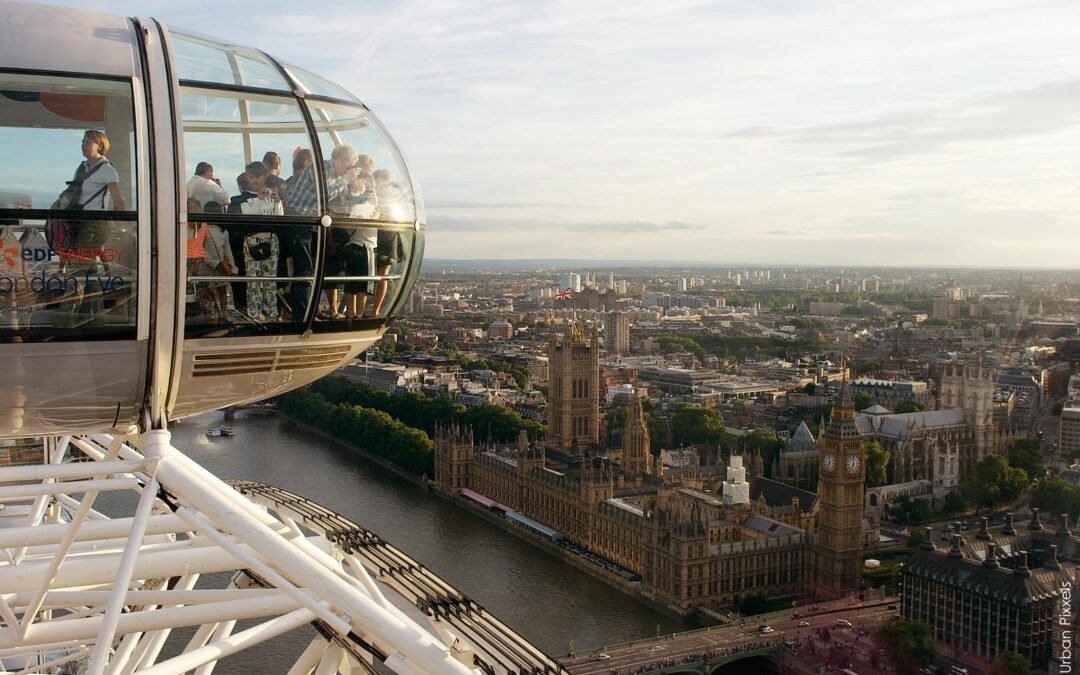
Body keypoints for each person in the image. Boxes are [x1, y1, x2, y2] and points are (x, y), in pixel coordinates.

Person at [287, 145, 365, 320]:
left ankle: (304, 312)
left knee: (307, 269)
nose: (349, 169)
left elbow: (339, 200)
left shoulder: (331, 174)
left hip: (305, 224)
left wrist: (364, 194)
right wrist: (345, 179)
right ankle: (302, 315)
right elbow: (324, 195)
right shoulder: (320, 168)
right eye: (349, 165)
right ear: (342, 160)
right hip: (297, 222)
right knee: (304, 270)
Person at [64, 129, 125, 326]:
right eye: (82, 142)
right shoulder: (82, 167)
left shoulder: (107, 169)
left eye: (88, 142)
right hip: (79, 223)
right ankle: (95, 321)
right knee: (88, 274)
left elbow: (118, 198)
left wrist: (120, 221)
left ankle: (65, 321)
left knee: (76, 270)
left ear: (100, 145)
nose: (83, 145)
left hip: (95, 224)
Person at [230, 162, 282, 322]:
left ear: (264, 176)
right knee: (254, 280)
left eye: (255, 177)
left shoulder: (272, 195)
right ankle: (254, 314)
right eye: (250, 177)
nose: (253, 181)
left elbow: (279, 218)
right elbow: (246, 216)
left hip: (271, 239)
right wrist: (259, 200)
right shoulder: (242, 199)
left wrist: (278, 201)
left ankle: (271, 313)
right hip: (252, 239)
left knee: (270, 279)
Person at [184, 199, 219, 323]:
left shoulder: (182, 223)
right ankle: (210, 315)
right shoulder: (203, 224)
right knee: (206, 290)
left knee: (187, 293)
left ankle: (188, 317)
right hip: (199, 261)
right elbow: (202, 244)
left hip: (184, 262)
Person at [201, 201, 235, 321]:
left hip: (217, 265)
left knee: (220, 292)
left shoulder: (222, 231)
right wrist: (230, 265)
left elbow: (228, 249)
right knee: (214, 293)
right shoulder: (205, 230)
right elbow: (201, 249)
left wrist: (232, 265)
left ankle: (222, 315)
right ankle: (217, 315)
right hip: (211, 266)